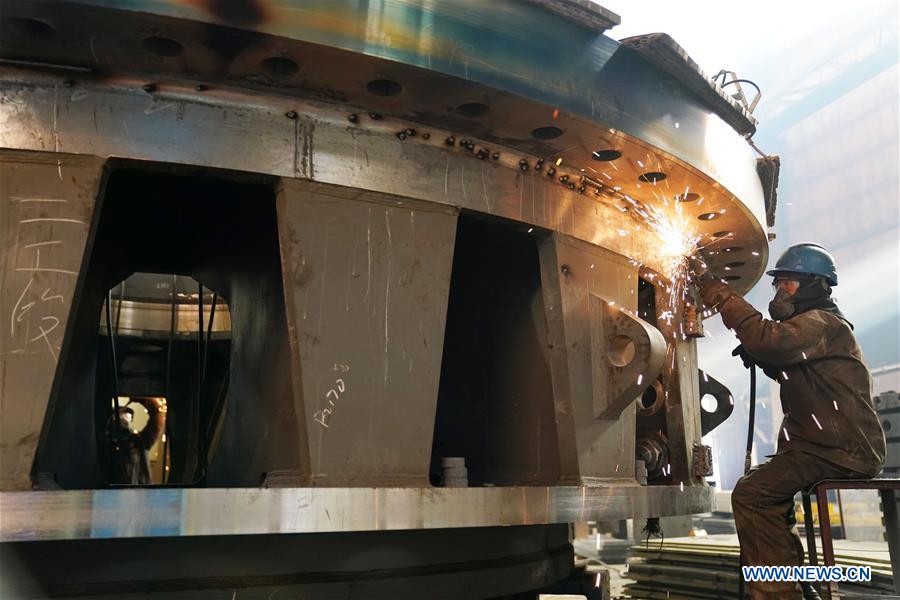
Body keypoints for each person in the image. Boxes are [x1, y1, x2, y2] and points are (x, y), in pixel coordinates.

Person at [697, 243, 886, 600]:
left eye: (789, 283)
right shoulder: (814, 330)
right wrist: (765, 358)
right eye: (778, 283)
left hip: (839, 450)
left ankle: (779, 593)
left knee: (752, 495)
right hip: (827, 448)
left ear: (814, 284)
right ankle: (794, 584)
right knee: (762, 490)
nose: (780, 291)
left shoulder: (823, 323)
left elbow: (772, 340)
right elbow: (797, 367)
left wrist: (720, 294)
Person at [108, 397, 164, 485]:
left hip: (139, 492)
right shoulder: (108, 444)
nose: (126, 422)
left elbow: (156, 417)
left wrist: (143, 398)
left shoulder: (138, 441)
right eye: (122, 417)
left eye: (128, 418)